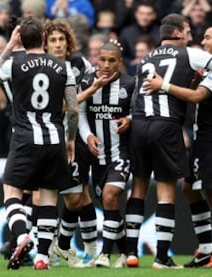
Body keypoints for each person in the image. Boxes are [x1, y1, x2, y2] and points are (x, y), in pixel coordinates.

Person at [126, 13, 212, 269]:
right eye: (190, 32)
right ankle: (204, 251)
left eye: (208, 36)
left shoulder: (148, 57)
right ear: (177, 33)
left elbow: (199, 95)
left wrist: (164, 85)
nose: (198, 38)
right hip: (187, 133)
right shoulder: (192, 56)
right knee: (188, 188)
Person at [0, 17, 79, 270]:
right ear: (43, 39)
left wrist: (9, 45)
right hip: (54, 140)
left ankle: (21, 236)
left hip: (25, 139)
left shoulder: (15, 63)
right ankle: (41, 257)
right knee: (49, 198)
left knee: (12, 191)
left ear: (21, 39)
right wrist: (70, 140)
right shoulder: (63, 67)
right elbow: (73, 110)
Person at [43, 18, 98, 268]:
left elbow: (77, 109)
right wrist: (95, 87)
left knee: (77, 197)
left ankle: (63, 245)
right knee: (43, 197)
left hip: (72, 137)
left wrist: (81, 135)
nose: (57, 44)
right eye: (52, 40)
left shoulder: (80, 65)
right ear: (44, 44)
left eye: (61, 39)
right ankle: (44, 250)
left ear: (69, 41)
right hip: (46, 138)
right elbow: (63, 105)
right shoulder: (42, 67)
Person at [78, 40, 135, 268]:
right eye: (102, 59)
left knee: (111, 196)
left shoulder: (130, 83)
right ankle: (125, 253)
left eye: (112, 60)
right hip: (97, 157)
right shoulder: (87, 82)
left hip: (121, 153)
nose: (106, 64)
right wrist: (88, 136)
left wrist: (129, 119)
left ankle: (104, 254)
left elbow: (137, 111)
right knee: (108, 206)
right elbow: (79, 113)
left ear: (119, 62)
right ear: (96, 59)